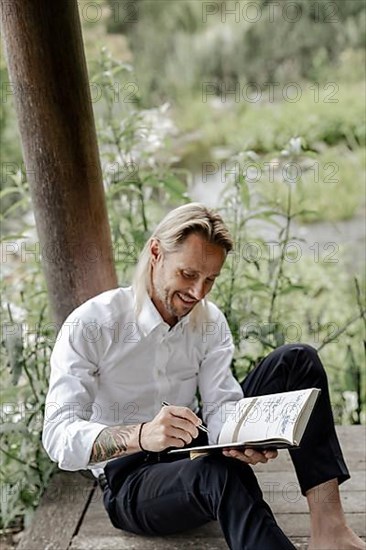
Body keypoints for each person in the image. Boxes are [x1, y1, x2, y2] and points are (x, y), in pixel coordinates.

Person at [43, 203, 365, 550]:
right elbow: (58, 436)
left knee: (298, 360)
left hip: (195, 447)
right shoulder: (92, 323)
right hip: (131, 482)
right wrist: (142, 435)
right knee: (219, 473)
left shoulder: (209, 321)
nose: (198, 292)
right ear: (156, 252)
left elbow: (219, 406)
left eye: (210, 279)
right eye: (188, 274)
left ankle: (330, 531)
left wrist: (240, 438)